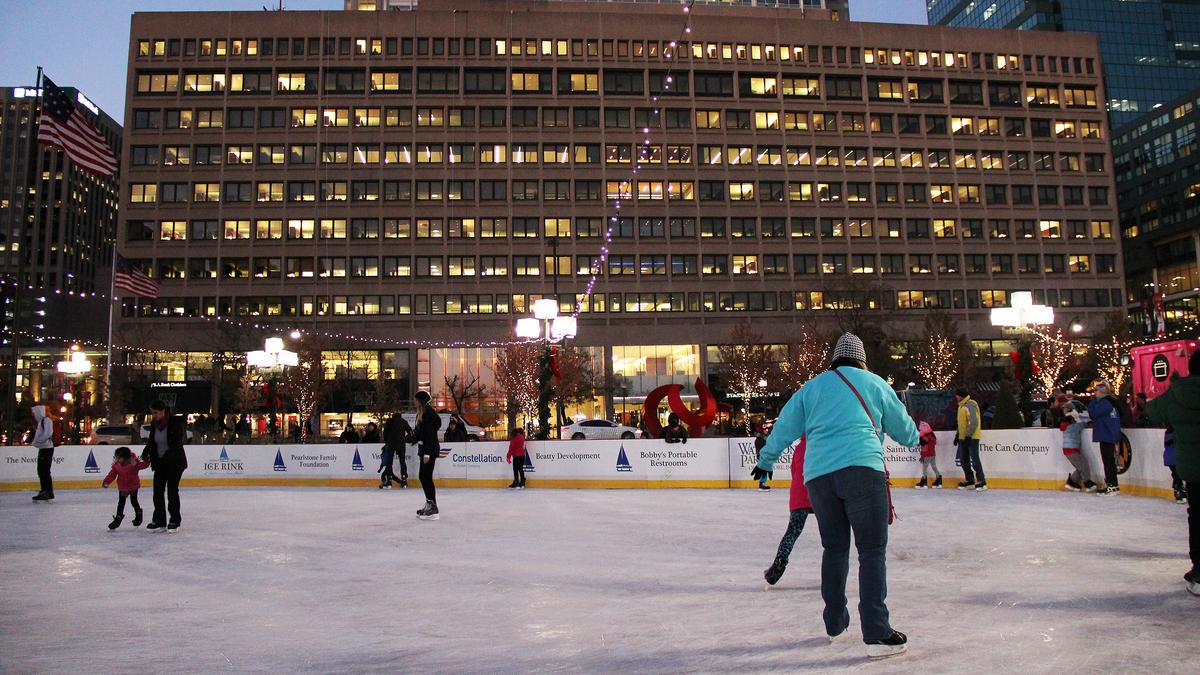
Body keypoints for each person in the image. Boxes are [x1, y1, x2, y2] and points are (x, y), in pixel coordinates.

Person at [754, 333, 918, 659]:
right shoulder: (874, 384)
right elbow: (907, 433)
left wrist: (765, 461)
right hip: (862, 471)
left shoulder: (811, 388)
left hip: (818, 478)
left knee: (834, 549)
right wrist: (910, 434)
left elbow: (784, 425)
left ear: (834, 360)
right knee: (871, 551)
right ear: (861, 359)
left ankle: (835, 623)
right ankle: (875, 631)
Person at [1147, 350, 1200, 596]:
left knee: (1197, 516)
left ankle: (1199, 571)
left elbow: (1153, 411)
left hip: (1193, 467)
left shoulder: (1178, 392)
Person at [763, 437, 812, 586]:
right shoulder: (822, 445)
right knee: (830, 533)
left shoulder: (799, 449)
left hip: (799, 495)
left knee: (792, 531)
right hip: (819, 492)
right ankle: (833, 568)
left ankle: (779, 563)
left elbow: (794, 471)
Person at [142, 400, 188, 532]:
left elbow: (176, 444)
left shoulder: (174, 424)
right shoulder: (154, 424)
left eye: (155, 413)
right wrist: (146, 450)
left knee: (172, 491)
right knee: (157, 492)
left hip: (175, 463)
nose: (154, 415)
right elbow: (152, 441)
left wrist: (167, 457)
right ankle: (159, 520)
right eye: (152, 413)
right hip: (160, 463)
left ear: (163, 411)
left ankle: (174, 520)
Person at [410, 391, 442, 520]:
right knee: (423, 476)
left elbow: (429, 435)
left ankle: (433, 508)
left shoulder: (427, 414)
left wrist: (427, 453)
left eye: (416, 400)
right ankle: (430, 503)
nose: (414, 402)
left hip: (429, 449)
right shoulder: (422, 413)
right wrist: (412, 438)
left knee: (426, 477)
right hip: (425, 449)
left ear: (421, 401)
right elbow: (420, 432)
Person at [1087, 380, 1123, 495]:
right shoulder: (1109, 402)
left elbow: (1093, 413)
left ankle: (1112, 485)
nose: (1094, 393)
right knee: (1108, 461)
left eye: (1096, 391)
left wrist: (1092, 401)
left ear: (1102, 391)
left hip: (1107, 435)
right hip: (1108, 434)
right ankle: (1112, 484)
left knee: (1108, 461)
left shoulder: (1105, 403)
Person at [101, 447, 150, 530]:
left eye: (118, 457)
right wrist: (106, 481)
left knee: (134, 501)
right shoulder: (116, 465)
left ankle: (138, 514)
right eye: (116, 457)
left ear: (125, 458)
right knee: (121, 503)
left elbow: (143, 465)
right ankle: (118, 517)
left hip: (133, 486)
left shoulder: (134, 463)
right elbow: (112, 475)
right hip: (123, 487)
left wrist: (147, 460)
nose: (116, 459)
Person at [1058, 396, 1098, 493]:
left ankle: (1071, 482)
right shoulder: (1073, 425)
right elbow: (1083, 424)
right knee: (1083, 465)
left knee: (1080, 466)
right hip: (1071, 449)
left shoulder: (1067, 424)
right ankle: (1087, 482)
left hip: (1069, 449)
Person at [954, 387, 986, 491]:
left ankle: (982, 481)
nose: (956, 397)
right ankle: (970, 480)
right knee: (964, 460)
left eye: (957, 395)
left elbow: (974, 422)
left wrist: (968, 435)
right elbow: (961, 423)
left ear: (961, 395)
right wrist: (957, 435)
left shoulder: (971, 404)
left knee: (975, 459)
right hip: (963, 437)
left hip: (972, 437)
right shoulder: (960, 406)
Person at [31, 405, 56, 502]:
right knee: (41, 470)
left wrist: (38, 441)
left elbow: (47, 434)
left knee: (44, 470)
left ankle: (48, 491)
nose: (34, 415)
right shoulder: (42, 421)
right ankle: (44, 490)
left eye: (35, 413)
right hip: (44, 448)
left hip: (47, 448)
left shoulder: (46, 420)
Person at [382, 413, 412, 489]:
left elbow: (385, 432)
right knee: (402, 462)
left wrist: (386, 442)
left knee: (389, 462)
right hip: (401, 444)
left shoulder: (389, 421)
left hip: (391, 444)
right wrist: (405, 439)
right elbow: (410, 432)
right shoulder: (403, 421)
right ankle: (404, 478)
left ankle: (389, 480)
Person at [914, 420, 942, 489]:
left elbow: (924, 448)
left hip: (926, 455)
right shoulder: (932, 436)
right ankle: (939, 480)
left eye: (920, 429)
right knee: (934, 466)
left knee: (924, 469)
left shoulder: (924, 438)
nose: (920, 431)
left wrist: (922, 456)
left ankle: (924, 482)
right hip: (932, 454)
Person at [1164, 426, 1187, 504]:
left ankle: (1178, 490)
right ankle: (1180, 491)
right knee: (1177, 475)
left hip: (1171, 458)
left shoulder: (1169, 433)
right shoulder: (1174, 434)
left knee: (1176, 474)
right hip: (1174, 458)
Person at [754, 423, 771, 491]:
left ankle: (762, 483)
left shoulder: (762, 438)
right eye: (765, 430)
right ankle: (762, 484)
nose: (766, 431)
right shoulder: (760, 439)